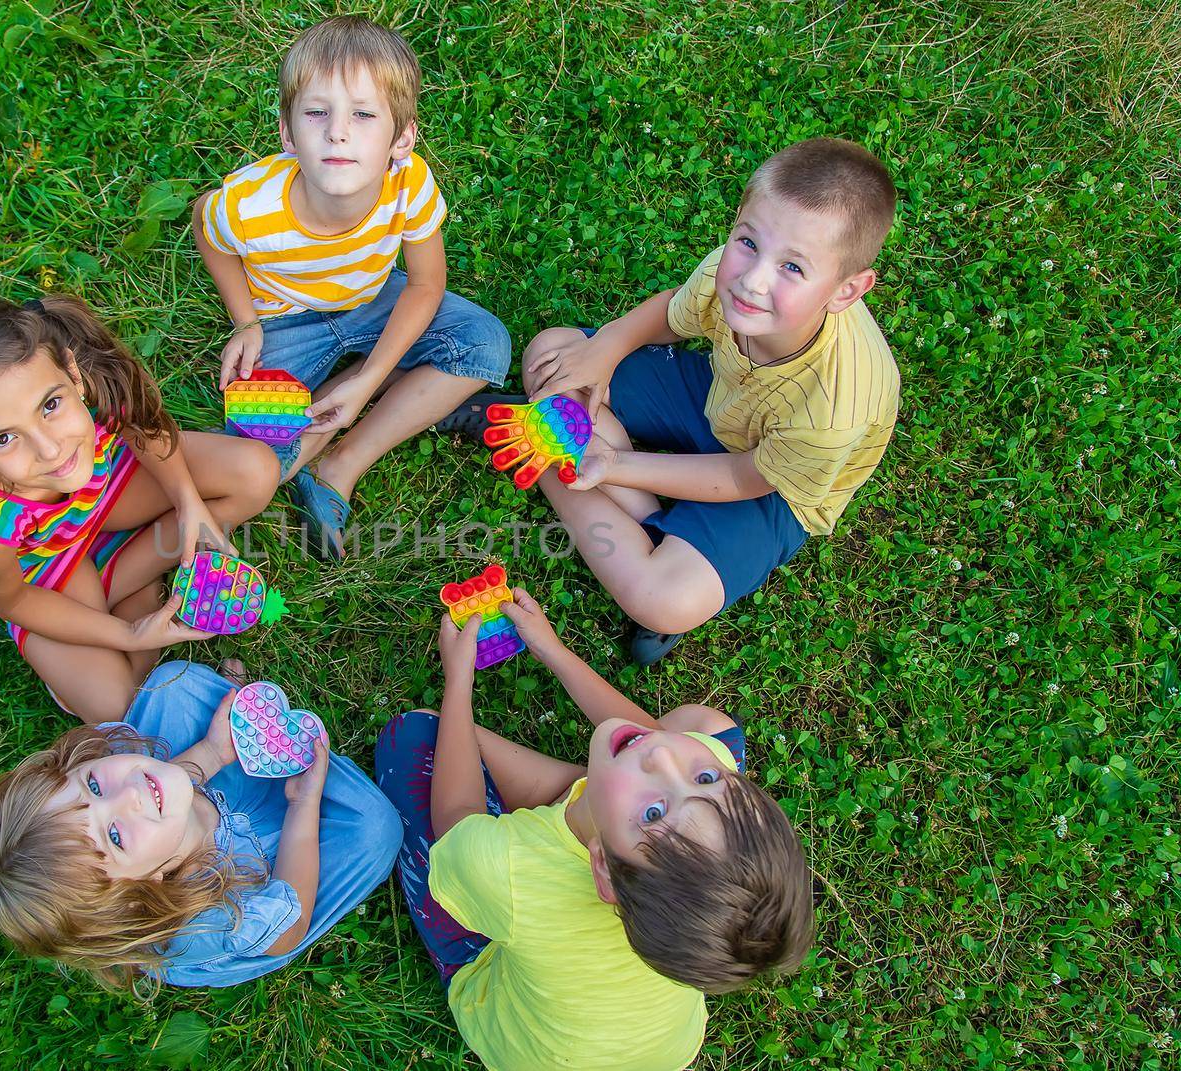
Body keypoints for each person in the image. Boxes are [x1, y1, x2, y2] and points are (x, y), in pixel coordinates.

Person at [442, 138, 900, 664]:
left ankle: (539, 441)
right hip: (714, 392)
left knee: (664, 600)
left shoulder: (835, 408)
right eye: (748, 242)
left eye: (793, 269)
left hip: (770, 484)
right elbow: (668, 315)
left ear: (846, 290)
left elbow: (744, 477)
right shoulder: (730, 275)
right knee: (553, 356)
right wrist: (607, 347)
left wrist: (615, 465)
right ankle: (635, 510)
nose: (752, 280)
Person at [375, 591, 813, 1070]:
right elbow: (651, 738)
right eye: (706, 779)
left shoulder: (511, 875)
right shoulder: (687, 909)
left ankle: (591, 793)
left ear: (600, 864)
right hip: (663, 1051)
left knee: (416, 735)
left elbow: (457, 814)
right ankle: (605, 797)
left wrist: (457, 680)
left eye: (653, 814)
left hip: (521, 1035)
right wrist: (552, 650)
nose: (665, 756)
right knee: (707, 727)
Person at [194, 15, 510, 559]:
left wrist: (367, 380)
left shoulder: (408, 183)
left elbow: (427, 285)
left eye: (363, 115)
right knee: (257, 461)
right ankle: (321, 429)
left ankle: (340, 465)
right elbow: (208, 228)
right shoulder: (250, 205)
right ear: (288, 133)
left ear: (402, 139)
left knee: (484, 343)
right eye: (317, 113)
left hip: (374, 299)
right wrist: (244, 320)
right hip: (282, 321)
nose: (337, 132)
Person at [0, 294, 278, 722]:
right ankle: (125, 592)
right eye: (3, 439)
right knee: (121, 709)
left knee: (255, 473)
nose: (50, 449)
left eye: (50, 407)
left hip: (110, 486)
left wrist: (188, 503)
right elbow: (14, 600)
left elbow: (145, 430)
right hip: (52, 567)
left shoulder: (93, 377)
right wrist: (129, 633)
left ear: (73, 375)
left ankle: (124, 583)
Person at [0, 660, 403, 988]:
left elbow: (160, 782)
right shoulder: (216, 921)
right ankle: (292, 766)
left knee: (170, 684)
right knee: (376, 829)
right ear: (141, 892)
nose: (131, 794)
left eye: (93, 786)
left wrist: (212, 753)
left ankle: (252, 735)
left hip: (194, 807)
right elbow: (287, 928)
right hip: (259, 873)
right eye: (115, 836)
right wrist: (303, 805)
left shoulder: (144, 799)